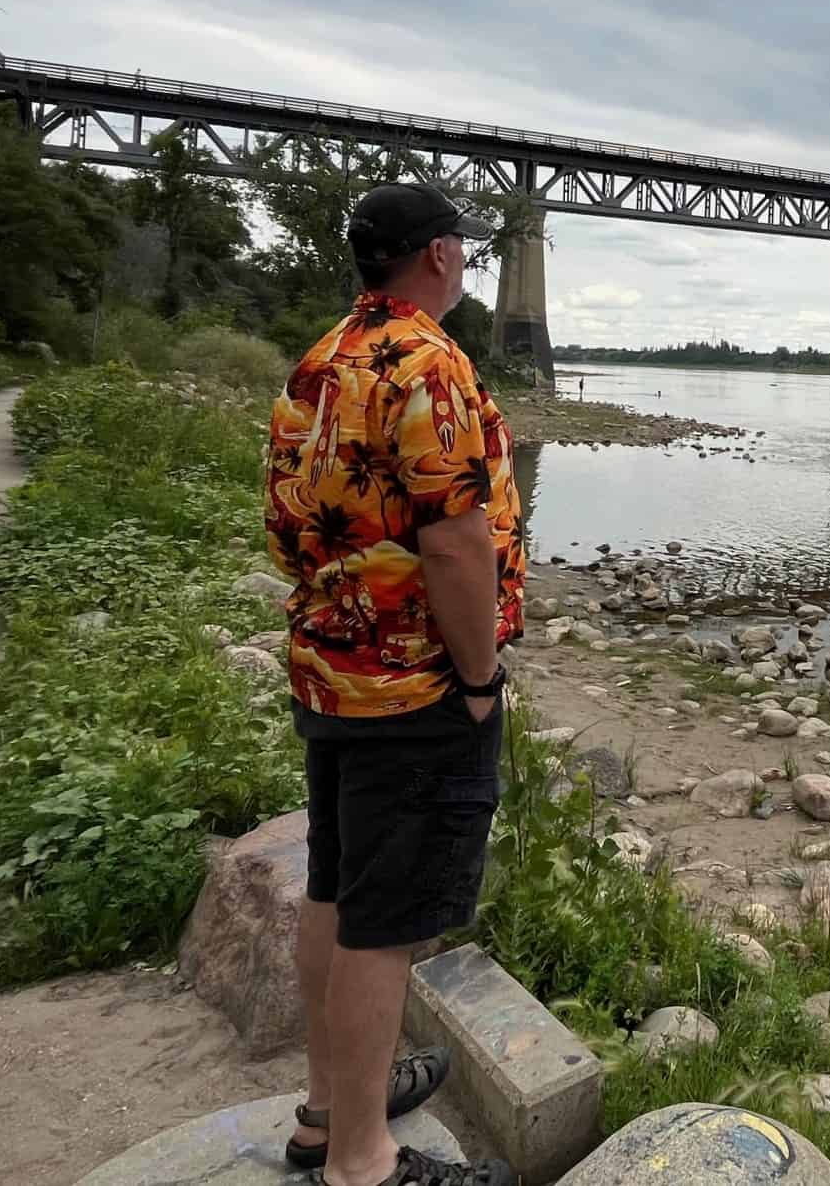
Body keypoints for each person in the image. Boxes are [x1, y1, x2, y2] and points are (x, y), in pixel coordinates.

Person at [266, 183, 527, 1186]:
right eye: (461, 247)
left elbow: (293, 517)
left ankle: (327, 1111)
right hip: (414, 688)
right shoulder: (428, 364)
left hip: (331, 668)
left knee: (336, 887)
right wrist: (476, 678)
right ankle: (363, 1163)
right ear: (440, 257)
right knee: (387, 924)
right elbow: (457, 544)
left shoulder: (323, 358)